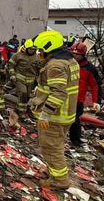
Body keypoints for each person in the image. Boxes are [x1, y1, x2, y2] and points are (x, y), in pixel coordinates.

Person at [28, 31, 80, 189]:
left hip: (55, 117)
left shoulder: (55, 66)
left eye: (41, 50)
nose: (38, 53)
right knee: (55, 146)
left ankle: (59, 181)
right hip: (66, 114)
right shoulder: (70, 61)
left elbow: (59, 93)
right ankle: (54, 171)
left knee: (51, 148)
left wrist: (45, 114)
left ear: (48, 48)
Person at [69, 42, 102, 146]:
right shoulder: (66, 63)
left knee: (75, 120)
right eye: (73, 53)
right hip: (65, 96)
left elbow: (95, 86)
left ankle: (75, 140)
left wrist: (96, 101)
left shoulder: (89, 68)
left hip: (78, 99)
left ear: (83, 55)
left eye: (77, 54)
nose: (74, 56)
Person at [9, 39, 42, 115]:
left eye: (33, 49)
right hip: (20, 78)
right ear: (26, 48)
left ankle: (23, 110)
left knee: (29, 96)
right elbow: (10, 65)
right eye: (30, 49)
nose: (31, 51)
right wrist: (12, 75)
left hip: (31, 80)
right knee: (23, 93)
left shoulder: (37, 57)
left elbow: (40, 69)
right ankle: (21, 112)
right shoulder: (18, 55)